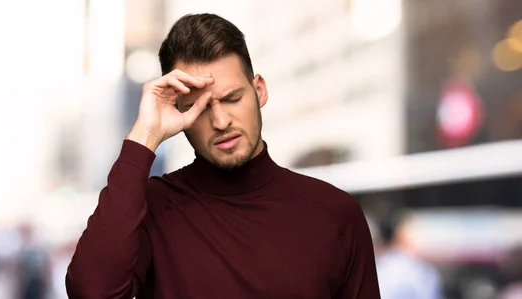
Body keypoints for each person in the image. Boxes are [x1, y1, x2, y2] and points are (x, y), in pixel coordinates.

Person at [66, 13, 380, 299]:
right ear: (177, 112)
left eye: (232, 99)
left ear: (259, 90)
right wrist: (145, 135)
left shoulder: (336, 214)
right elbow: (91, 293)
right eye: (199, 108)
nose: (220, 122)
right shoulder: (150, 210)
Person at [374, 213, 442, 299]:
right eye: (419, 234)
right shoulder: (420, 271)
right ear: (403, 236)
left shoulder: (380, 263)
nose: (423, 240)